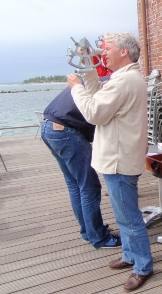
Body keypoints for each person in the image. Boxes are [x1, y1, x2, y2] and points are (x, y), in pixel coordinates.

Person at [67, 32, 153, 292]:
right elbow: (100, 99)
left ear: (124, 52)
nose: (103, 53)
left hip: (119, 160)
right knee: (123, 214)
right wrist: (90, 72)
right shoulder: (126, 78)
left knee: (128, 217)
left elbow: (93, 112)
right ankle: (129, 256)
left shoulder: (125, 81)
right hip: (120, 158)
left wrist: (76, 88)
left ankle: (143, 267)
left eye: (108, 48)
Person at [41, 80, 119, 249]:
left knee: (75, 185)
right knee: (89, 187)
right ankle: (99, 238)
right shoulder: (109, 88)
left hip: (47, 127)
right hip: (67, 131)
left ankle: (88, 232)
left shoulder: (93, 81)